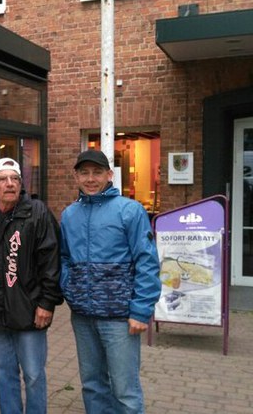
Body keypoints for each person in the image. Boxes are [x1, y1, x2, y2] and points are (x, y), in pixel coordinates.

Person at [59, 149, 162, 414]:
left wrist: (141, 310)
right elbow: (64, 258)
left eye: (97, 172)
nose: (91, 178)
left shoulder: (130, 211)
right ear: (76, 176)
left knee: (125, 391)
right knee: (92, 385)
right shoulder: (70, 215)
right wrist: (69, 287)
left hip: (120, 318)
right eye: (84, 173)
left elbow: (147, 262)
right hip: (83, 316)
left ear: (109, 175)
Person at [0, 157, 63, 414]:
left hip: (30, 311)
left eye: (15, 179)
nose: (10, 184)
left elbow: (51, 261)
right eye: (2, 179)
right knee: (1, 371)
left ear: (21, 183)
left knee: (32, 374)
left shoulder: (38, 213)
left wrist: (47, 302)